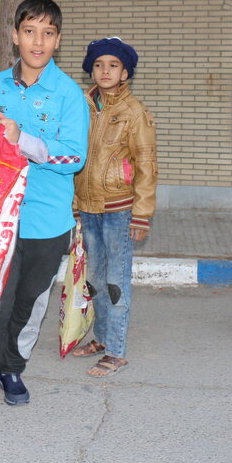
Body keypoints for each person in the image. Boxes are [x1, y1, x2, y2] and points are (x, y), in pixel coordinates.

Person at [0, 0, 89, 414]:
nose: (38, 41)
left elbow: (75, 156)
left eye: (48, 33)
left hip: (46, 220)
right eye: (30, 31)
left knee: (29, 302)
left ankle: (12, 369)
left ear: (58, 41)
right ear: (15, 36)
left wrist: (25, 142)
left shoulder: (68, 93)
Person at [70, 37, 157, 376]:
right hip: (89, 205)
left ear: (125, 73)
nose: (105, 71)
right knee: (94, 278)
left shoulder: (134, 112)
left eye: (113, 65)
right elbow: (77, 156)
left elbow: (147, 164)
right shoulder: (84, 105)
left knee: (115, 279)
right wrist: (76, 203)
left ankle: (117, 352)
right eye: (99, 65)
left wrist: (142, 213)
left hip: (120, 208)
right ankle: (102, 338)